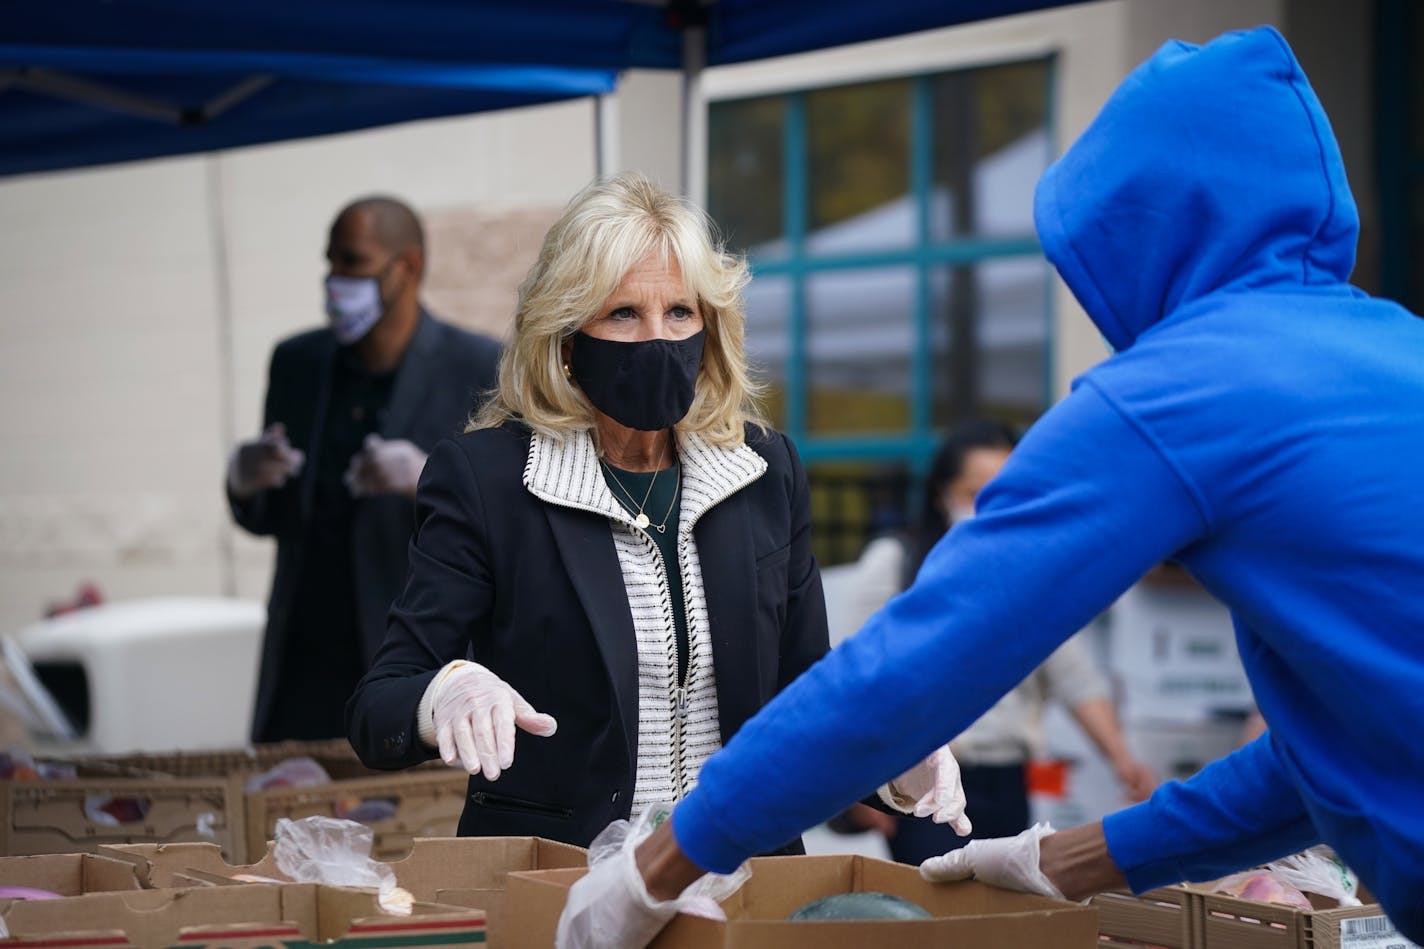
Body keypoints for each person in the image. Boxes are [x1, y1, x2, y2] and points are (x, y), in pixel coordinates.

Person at [556, 26, 1424, 947]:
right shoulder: (1395, 348)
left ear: (1136, 232)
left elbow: (922, 661)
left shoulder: (1186, 390)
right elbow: (1336, 754)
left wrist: (659, 864)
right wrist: (1066, 861)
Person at [344, 173, 968, 850]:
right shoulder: (490, 480)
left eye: (679, 311)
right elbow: (378, 706)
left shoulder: (764, 470)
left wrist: (892, 758)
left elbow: (805, 689)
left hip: (736, 873)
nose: (656, 338)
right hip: (561, 883)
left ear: (711, 323)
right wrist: (446, 692)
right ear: (566, 336)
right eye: (622, 314)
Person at [227, 196, 501, 743]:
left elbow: (506, 520)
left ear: (409, 267)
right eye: (330, 262)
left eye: (353, 262)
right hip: (306, 659)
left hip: (412, 655)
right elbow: (273, 516)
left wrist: (423, 476)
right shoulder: (297, 362)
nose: (336, 281)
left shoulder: (476, 364)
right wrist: (245, 477)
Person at [832, 419, 1157, 865]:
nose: (988, 507)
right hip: (928, 784)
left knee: (1003, 917)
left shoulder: (1028, 573)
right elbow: (853, 676)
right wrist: (848, 785)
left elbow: (1074, 677)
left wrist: (1123, 760)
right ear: (941, 493)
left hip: (1008, 780)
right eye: (973, 493)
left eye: (1004, 491)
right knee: (940, 922)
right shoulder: (897, 564)